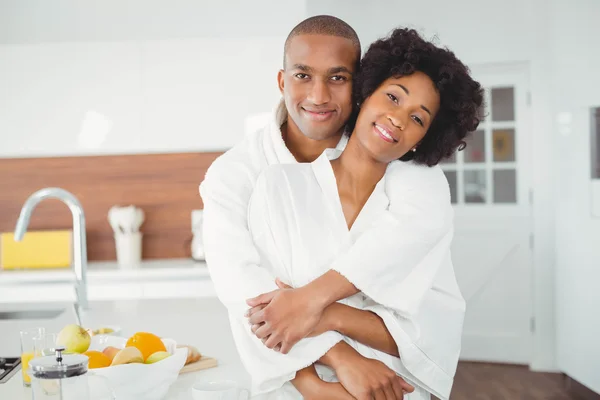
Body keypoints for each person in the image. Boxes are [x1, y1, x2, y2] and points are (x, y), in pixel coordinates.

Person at [200, 16, 482, 400]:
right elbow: (248, 296)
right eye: (303, 76)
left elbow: (431, 313)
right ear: (282, 81)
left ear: (359, 85)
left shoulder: (410, 174)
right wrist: (330, 368)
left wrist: (314, 304)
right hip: (294, 384)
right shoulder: (245, 177)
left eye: (337, 78)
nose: (318, 96)